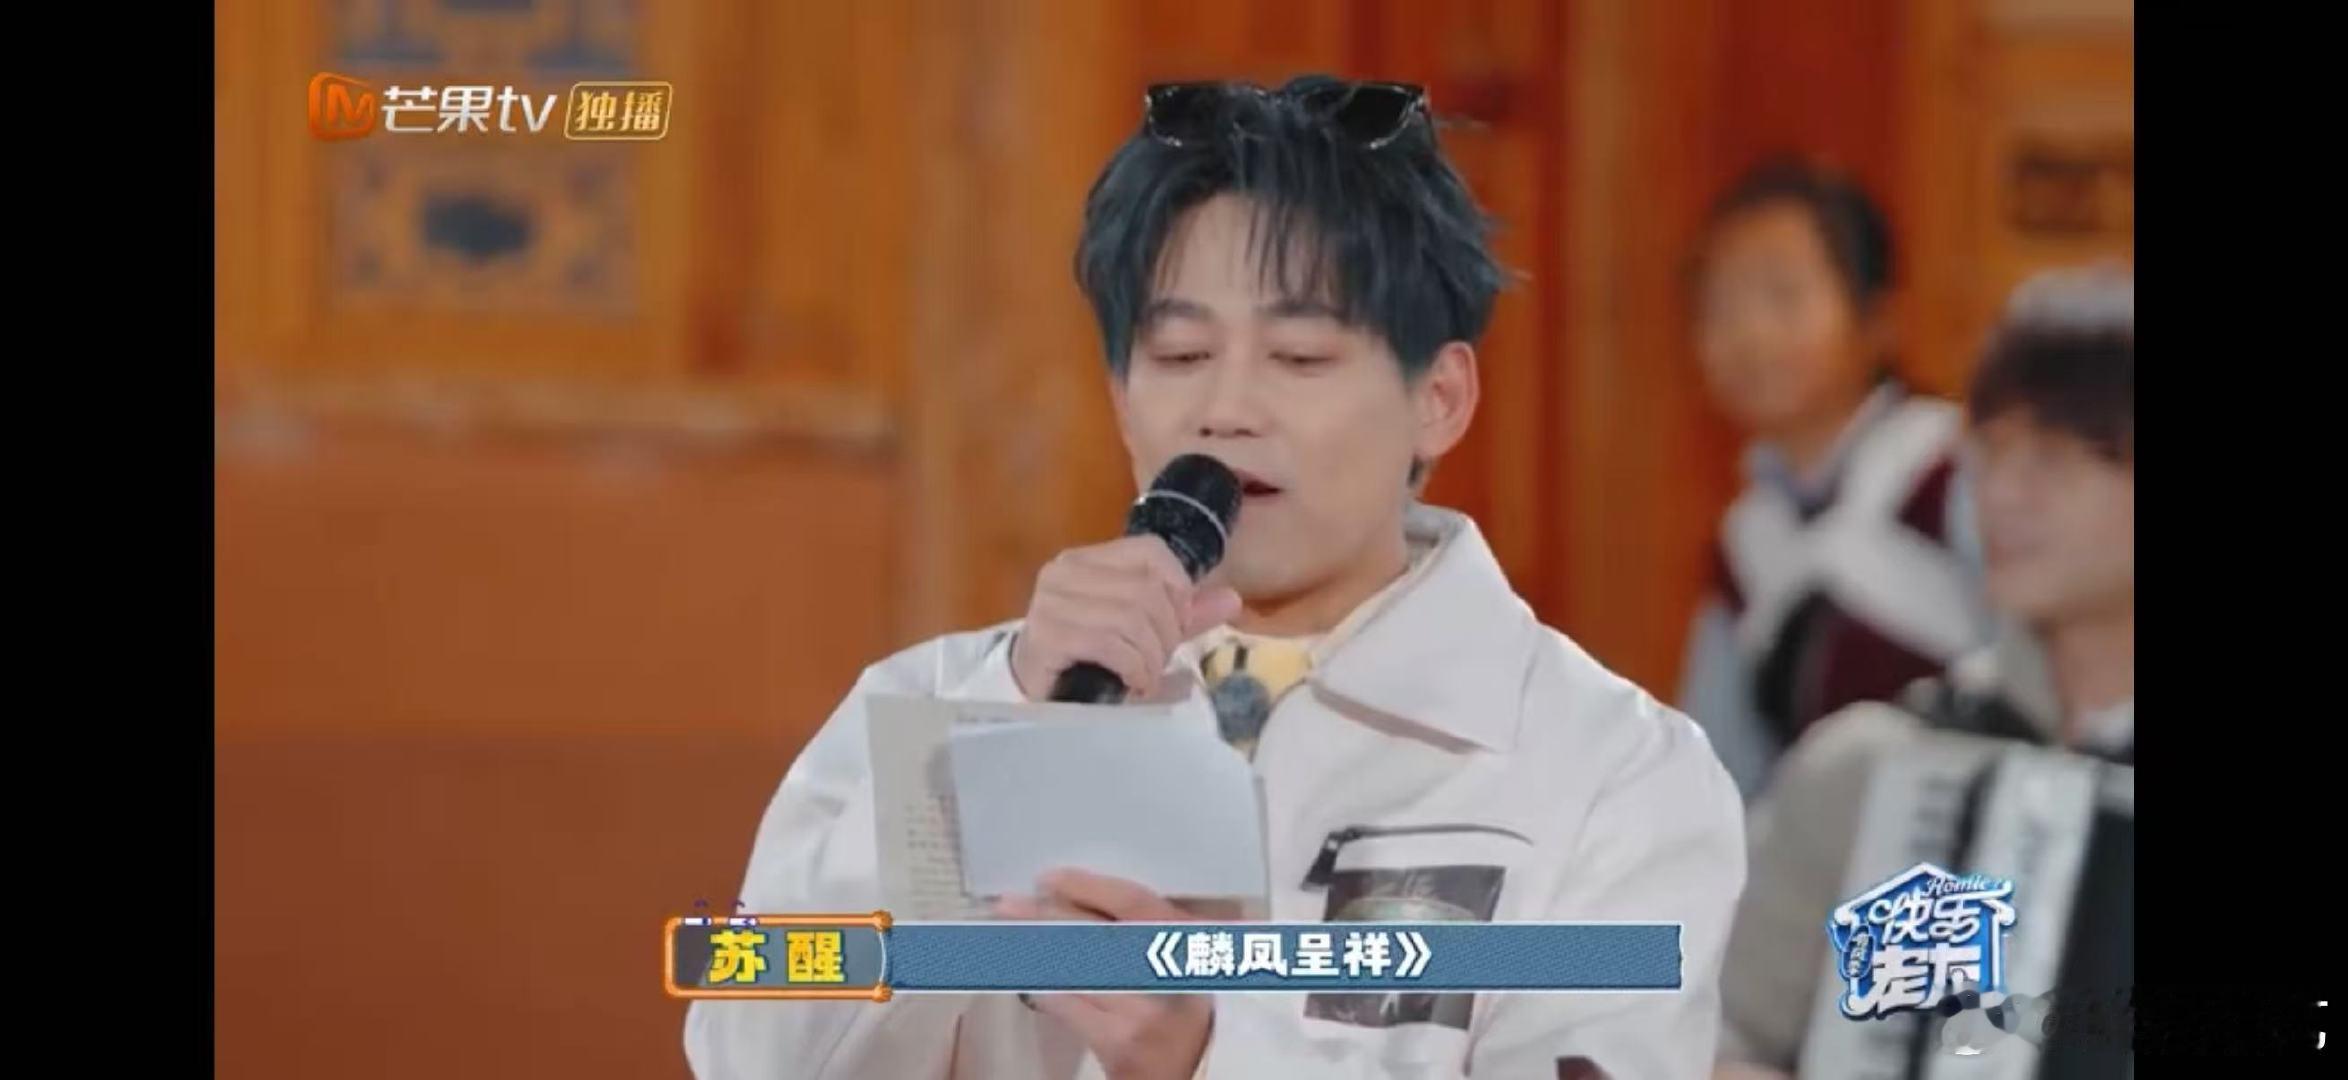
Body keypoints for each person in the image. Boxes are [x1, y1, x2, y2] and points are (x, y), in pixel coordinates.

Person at [685, 75, 1745, 1079]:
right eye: (1182, 357)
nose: (1226, 410)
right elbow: (746, 1053)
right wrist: (996, 721)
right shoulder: (942, 700)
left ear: (1440, 399)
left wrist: (1206, 1056)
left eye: (1300, 357)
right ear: (1120, 399)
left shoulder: (1613, 773)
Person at [1713, 264, 2134, 1078]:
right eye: (1991, 452)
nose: (2001, 496)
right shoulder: (1872, 765)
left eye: (2052, 458)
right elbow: (1716, 1030)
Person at [1676, 160, 1996, 801]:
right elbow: (1714, 765)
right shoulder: (1748, 534)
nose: (1749, 334)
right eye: (1719, 304)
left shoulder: (1959, 473)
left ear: (1877, 319)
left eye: (1783, 296)